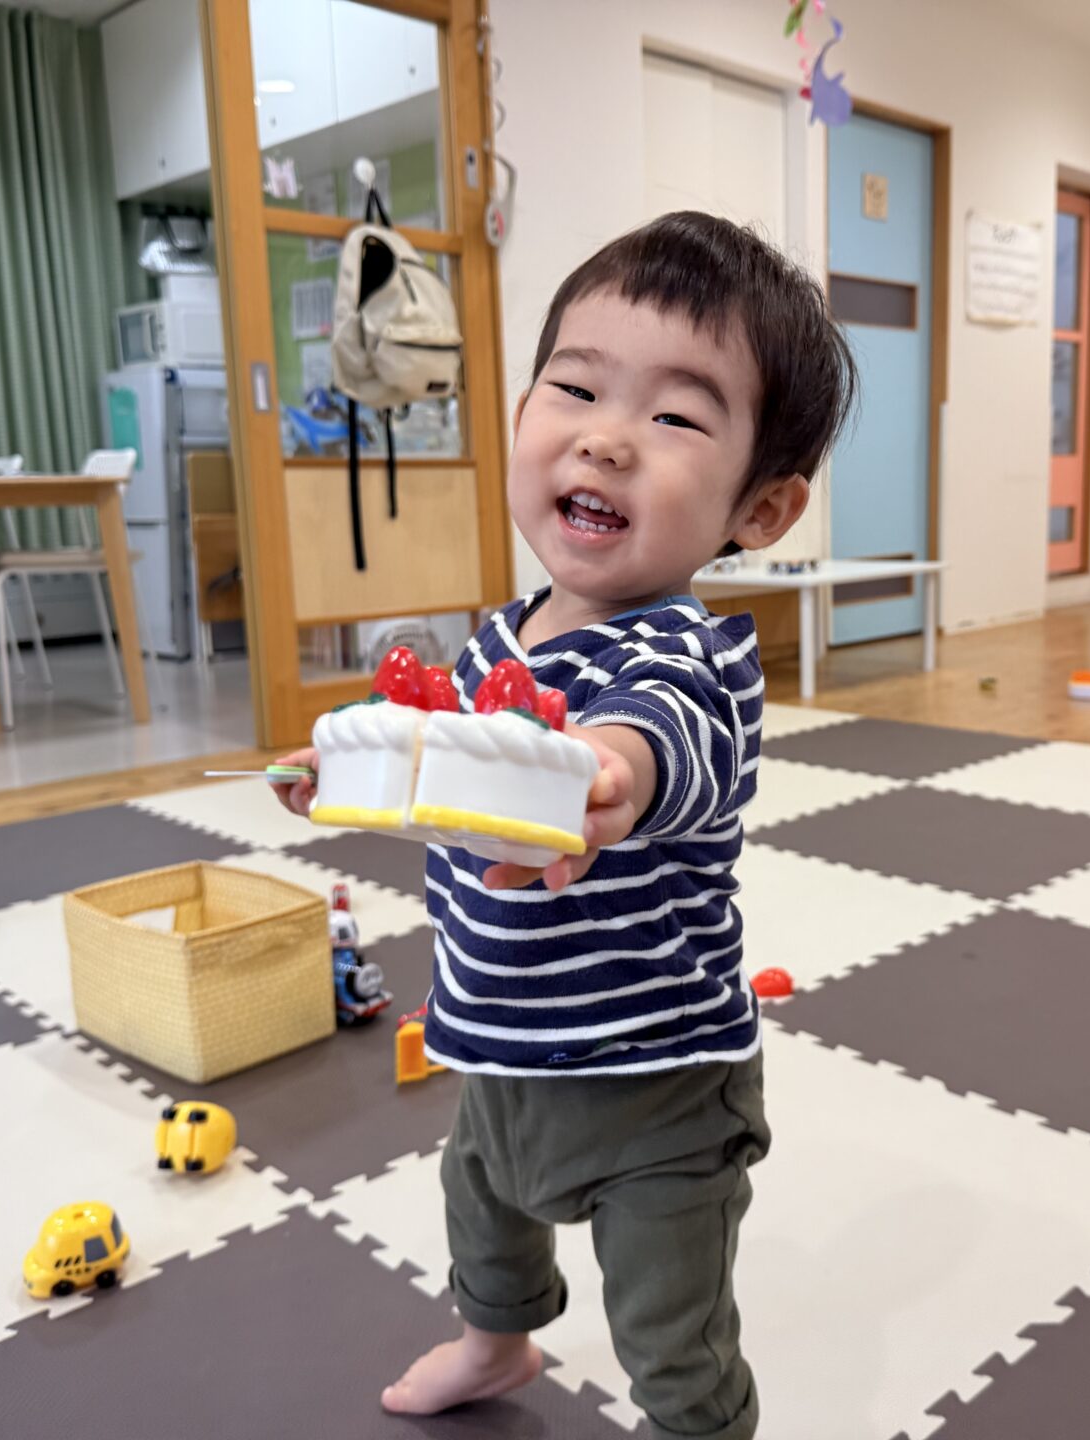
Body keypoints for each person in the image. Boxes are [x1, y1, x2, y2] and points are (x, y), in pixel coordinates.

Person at [272, 211, 856, 1440]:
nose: (606, 437)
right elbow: (448, 785)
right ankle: (496, 1346)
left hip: (655, 1082)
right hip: (499, 1039)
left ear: (761, 508)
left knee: (669, 1329)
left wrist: (605, 773)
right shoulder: (499, 635)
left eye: (676, 417)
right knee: (481, 1215)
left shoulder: (696, 656)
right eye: (577, 388)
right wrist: (354, 774)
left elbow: (658, 741)